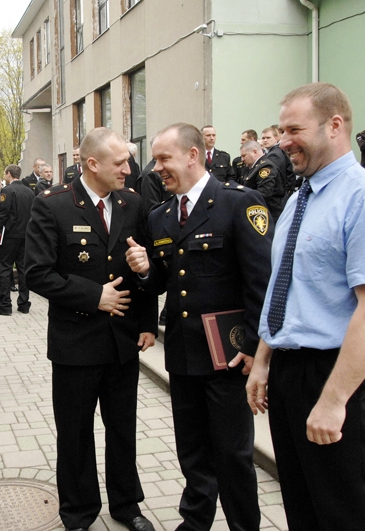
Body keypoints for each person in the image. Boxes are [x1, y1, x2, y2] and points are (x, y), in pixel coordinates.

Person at [246, 83, 365, 531]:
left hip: (337, 373)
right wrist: (264, 359)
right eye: (280, 130)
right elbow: (287, 288)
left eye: (293, 129)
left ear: (334, 125)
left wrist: (334, 400)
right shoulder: (299, 200)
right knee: (302, 503)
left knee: (346, 510)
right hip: (289, 371)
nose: (282, 141)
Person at [125, 123, 269, 531]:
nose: (157, 168)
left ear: (193, 155)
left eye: (164, 159)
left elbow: (262, 281)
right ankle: (195, 521)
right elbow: (163, 283)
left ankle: (245, 525)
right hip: (185, 353)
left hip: (229, 355)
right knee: (191, 449)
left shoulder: (238, 204)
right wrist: (144, 269)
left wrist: (256, 345)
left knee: (233, 453)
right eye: (155, 159)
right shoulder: (161, 216)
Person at [25, 127, 157, 531]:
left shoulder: (134, 203)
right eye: (120, 163)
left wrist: (149, 322)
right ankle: (79, 513)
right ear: (92, 163)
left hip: (122, 342)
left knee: (123, 429)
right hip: (75, 344)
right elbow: (36, 273)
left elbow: (144, 268)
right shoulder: (54, 205)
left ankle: (127, 506)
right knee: (76, 434)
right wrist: (92, 296)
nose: (128, 169)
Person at [0, 164, 33, 316]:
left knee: (4, 268)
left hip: (10, 235)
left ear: (9, 174)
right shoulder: (29, 191)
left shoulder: (7, 190)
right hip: (25, 235)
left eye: (5, 174)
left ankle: (5, 305)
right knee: (22, 269)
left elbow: (3, 213)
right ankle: (24, 303)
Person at [240, 140, 287, 220]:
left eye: (244, 156)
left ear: (254, 152)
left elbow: (264, 193)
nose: (242, 159)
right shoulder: (253, 167)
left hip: (269, 214)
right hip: (259, 212)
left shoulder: (266, 167)